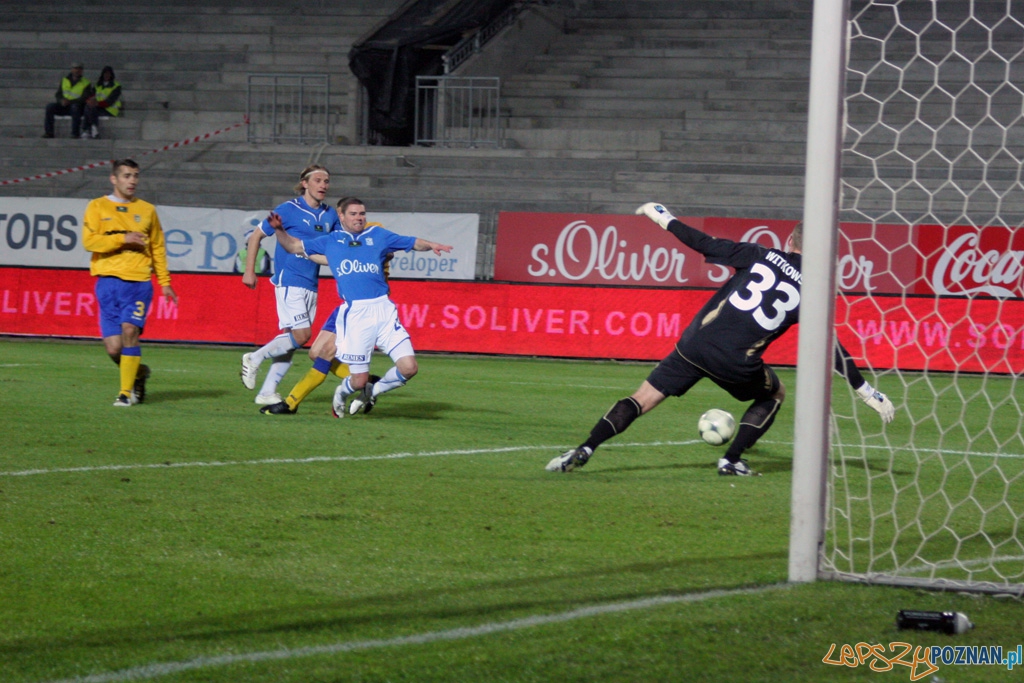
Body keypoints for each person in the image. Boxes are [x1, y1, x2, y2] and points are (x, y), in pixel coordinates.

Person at [547, 202, 896, 476]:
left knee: (642, 399)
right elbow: (830, 347)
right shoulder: (814, 290)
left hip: (694, 346)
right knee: (774, 393)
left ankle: (585, 448)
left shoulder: (759, 254)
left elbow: (705, 243)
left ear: (789, 241)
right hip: (736, 362)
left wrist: (664, 218)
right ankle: (731, 460)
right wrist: (866, 390)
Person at [267, 197, 452, 417]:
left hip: (378, 308)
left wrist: (431, 245)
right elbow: (294, 246)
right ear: (341, 216)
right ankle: (360, 385)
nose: (359, 218)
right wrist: (279, 230)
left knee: (327, 354)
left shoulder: (377, 235)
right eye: (353, 214)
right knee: (318, 354)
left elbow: (410, 243)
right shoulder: (332, 241)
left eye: (362, 214)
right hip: (351, 310)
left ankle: (293, 402)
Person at [240, 165, 340, 405]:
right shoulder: (288, 209)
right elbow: (256, 236)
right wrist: (249, 270)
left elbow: (338, 244)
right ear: (305, 183)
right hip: (289, 280)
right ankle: (254, 358)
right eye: (318, 180)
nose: (323, 185)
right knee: (302, 335)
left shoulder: (330, 215)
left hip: (311, 284)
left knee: (291, 341)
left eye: (326, 181)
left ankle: (267, 392)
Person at [82, 158, 178, 406]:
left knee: (130, 331)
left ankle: (125, 393)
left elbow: (157, 247)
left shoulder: (147, 210)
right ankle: (140, 373)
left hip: (138, 283)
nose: (132, 180)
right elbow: (89, 242)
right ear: (114, 179)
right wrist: (123, 239)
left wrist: (165, 282)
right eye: (126, 176)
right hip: (107, 283)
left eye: (135, 175)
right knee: (114, 349)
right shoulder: (97, 206)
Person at [43, 62, 93, 138]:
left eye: (79, 69)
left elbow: (84, 98)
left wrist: (70, 102)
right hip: (64, 106)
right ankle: (49, 132)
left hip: (78, 107)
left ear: (82, 71)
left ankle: (75, 133)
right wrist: (61, 101)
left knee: (75, 107)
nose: (77, 71)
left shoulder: (86, 83)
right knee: (49, 107)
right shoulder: (64, 80)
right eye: (75, 68)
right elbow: (58, 94)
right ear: (72, 69)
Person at [82, 66, 122, 140]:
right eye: (105, 73)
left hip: (110, 110)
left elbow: (110, 101)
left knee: (90, 109)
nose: (106, 75)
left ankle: (87, 130)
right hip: (98, 108)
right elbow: (91, 95)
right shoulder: (98, 85)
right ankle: (93, 128)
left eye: (108, 74)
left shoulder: (116, 86)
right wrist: (90, 101)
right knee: (88, 107)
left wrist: (96, 103)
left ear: (111, 75)